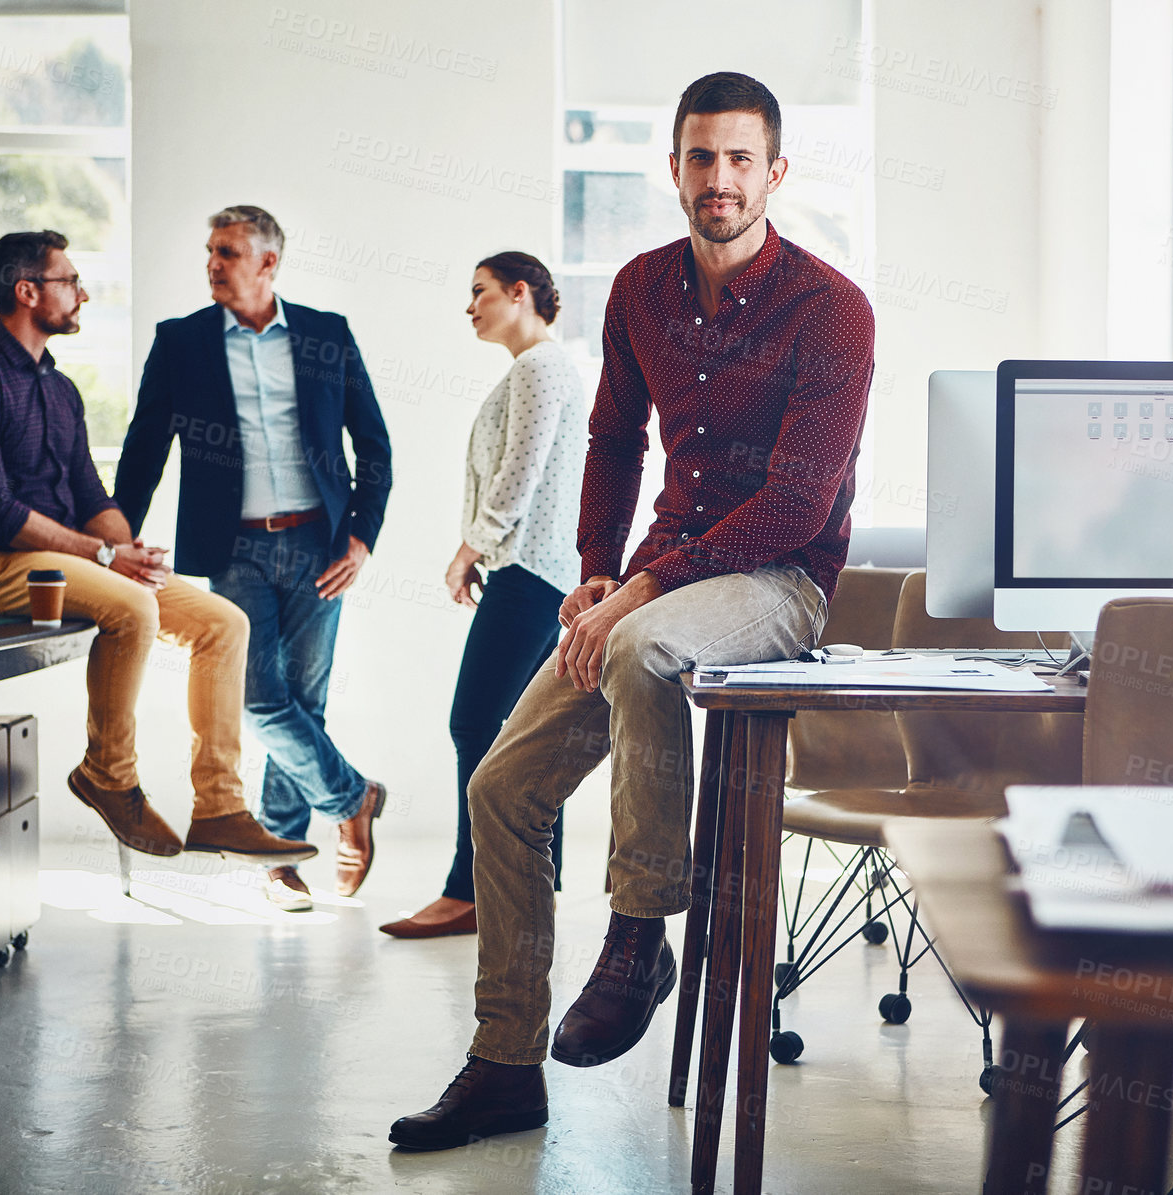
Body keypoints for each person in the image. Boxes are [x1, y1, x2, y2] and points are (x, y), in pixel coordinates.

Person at [388, 71, 874, 1151]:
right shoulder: (642, 289)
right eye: (700, 157)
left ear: (775, 173)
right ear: (674, 169)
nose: (719, 178)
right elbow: (614, 440)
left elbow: (796, 500)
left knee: (646, 645)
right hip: (658, 578)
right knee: (503, 787)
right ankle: (506, 1065)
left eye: (741, 159)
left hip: (778, 583)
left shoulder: (833, 309)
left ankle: (638, 930)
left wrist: (643, 593)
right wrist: (601, 568)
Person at [0, 230, 314, 864]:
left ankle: (219, 808)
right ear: (28, 291)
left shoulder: (59, 389)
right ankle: (109, 774)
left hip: (69, 562)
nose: (82, 294)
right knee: (132, 609)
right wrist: (105, 560)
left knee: (223, 623)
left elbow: (90, 495)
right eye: (69, 282)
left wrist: (129, 549)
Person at [114, 206, 393, 912]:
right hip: (232, 548)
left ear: (268, 263)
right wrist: (116, 541)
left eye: (228, 252)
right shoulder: (181, 342)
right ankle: (352, 797)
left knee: (303, 700)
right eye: (210, 250)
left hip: (318, 545)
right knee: (257, 696)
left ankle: (281, 854)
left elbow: (376, 447)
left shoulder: (327, 334)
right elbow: (143, 451)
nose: (213, 263)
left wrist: (361, 538)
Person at [379, 252, 585, 940]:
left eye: (479, 292)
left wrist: (472, 545)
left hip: (530, 569)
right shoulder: (537, 368)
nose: (469, 307)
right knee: (525, 731)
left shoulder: (539, 367)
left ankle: (469, 889)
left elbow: (518, 471)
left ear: (519, 292)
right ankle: (534, 880)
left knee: (476, 723)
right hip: (532, 568)